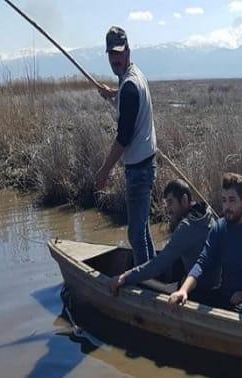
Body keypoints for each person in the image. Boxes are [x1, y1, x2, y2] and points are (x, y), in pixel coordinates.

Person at [95, 26, 158, 266]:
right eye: (112, 54)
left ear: (128, 51)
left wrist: (104, 170)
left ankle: (145, 284)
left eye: (120, 53)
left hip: (140, 169)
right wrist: (112, 94)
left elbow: (123, 138)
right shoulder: (132, 77)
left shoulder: (130, 85)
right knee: (142, 229)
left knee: (135, 234)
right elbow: (127, 95)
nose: (116, 59)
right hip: (145, 163)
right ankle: (152, 272)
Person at [109, 179, 219, 294]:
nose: (168, 209)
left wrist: (125, 277)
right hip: (212, 283)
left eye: (171, 202)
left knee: (141, 282)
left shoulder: (187, 227)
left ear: (184, 200)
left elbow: (158, 265)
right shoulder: (208, 214)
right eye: (166, 203)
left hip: (198, 290)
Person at [168, 173, 242, 310]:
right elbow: (202, 262)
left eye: (232, 200)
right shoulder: (219, 227)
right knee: (188, 296)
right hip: (225, 296)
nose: (227, 206)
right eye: (224, 200)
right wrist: (184, 290)